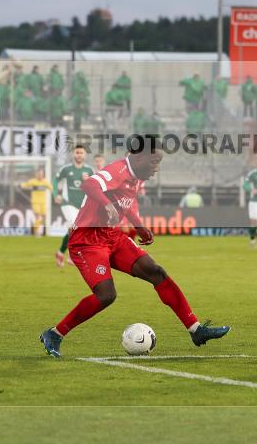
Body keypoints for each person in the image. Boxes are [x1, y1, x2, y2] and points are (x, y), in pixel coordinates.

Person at [39, 149, 231, 357]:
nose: (156, 169)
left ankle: (196, 330)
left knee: (156, 272)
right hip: (87, 241)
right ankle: (55, 334)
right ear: (139, 158)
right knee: (106, 295)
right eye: (154, 162)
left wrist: (138, 225)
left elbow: (126, 202)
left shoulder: (137, 177)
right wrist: (106, 205)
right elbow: (89, 184)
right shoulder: (117, 169)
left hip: (111, 236)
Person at [53, 145, 94, 267]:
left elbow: (95, 187)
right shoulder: (66, 169)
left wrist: (89, 181)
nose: (79, 155)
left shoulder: (90, 170)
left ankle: (61, 252)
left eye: (81, 153)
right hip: (68, 203)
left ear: (85, 155)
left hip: (82, 206)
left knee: (72, 230)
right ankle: (74, 255)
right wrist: (56, 194)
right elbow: (55, 181)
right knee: (76, 226)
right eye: (77, 153)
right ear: (73, 154)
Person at [21, 167, 53, 237]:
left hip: (43, 202)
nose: (40, 175)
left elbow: (52, 188)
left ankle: (35, 227)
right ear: (36, 174)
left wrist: (56, 194)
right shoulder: (33, 181)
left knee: (43, 217)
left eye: (41, 174)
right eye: (39, 174)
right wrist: (22, 185)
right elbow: (25, 184)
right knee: (38, 217)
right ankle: (37, 232)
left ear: (43, 175)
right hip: (35, 202)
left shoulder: (45, 182)